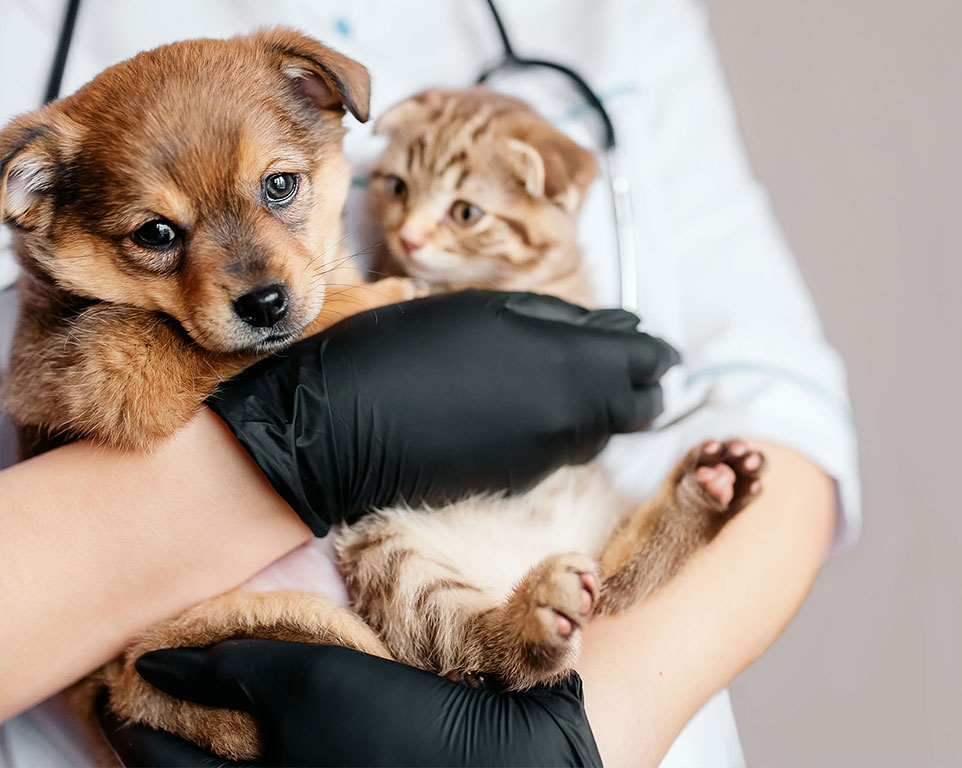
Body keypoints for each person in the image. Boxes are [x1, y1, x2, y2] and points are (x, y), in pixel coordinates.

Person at [0, 1, 860, 766]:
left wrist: (605, 725)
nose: (254, 279)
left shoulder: (618, 15)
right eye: (158, 234)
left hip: (593, 638)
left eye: (280, 188)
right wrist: (304, 437)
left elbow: (775, 399)